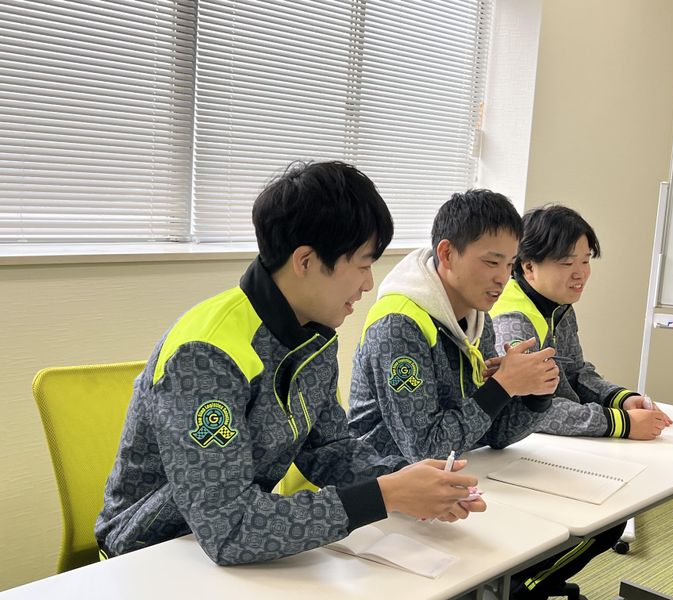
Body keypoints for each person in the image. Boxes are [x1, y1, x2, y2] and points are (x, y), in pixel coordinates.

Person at [95, 161, 485, 567]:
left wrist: (410, 482)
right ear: (305, 261)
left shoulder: (312, 335)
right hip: (149, 554)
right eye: (363, 265)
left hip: (228, 543)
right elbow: (229, 528)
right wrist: (384, 495)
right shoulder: (206, 354)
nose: (368, 284)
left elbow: (329, 450)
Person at [348, 190, 606, 599]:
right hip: (389, 498)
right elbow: (425, 447)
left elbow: (495, 434)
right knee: (518, 551)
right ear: (447, 254)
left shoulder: (474, 315)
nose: (503, 277)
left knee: (593, 524)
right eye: (491, 262)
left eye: (509, 263)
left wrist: (535, 393)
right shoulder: (400, 325)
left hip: (455, 478)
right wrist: (502, 387)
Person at [488, 204, 672, 598]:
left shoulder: (557, 304)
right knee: (607, 522)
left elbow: (576, 371)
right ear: (528, 266)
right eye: (566, 262)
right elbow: (534, 412)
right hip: (512, 452)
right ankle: (517, 590)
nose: (580, 273)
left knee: (614, 514)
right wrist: (620, 424)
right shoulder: (512, 319)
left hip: (551, 446)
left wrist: (622, 399)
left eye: (586, 261)